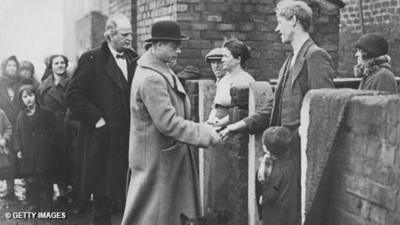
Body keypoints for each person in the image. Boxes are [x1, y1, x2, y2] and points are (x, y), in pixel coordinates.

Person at [121, 20, 221, 225]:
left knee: (160, 215)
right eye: (174, 46)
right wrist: (204, 133)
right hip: (157, 160)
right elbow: (168, 122)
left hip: (160, 156)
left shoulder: (156, 69)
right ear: (157, 45)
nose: (179, 50)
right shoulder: (152, 78)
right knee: (153, 217)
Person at [220, 0, 335, 166]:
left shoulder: (315, 55)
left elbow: (323, 107)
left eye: (280, 22)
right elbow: (275, 105)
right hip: (284, 152)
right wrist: (238, 125)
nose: (277, 28)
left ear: (294, 20)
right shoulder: (289, 60)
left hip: (300, 152)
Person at [66, 13, 138, 225]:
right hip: (103, 140)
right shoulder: (92, 58)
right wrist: (97, 120)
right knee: (102, 197)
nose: (130, 39)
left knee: (129, 193)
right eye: (125, 34)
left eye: (131, 34)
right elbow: (73, 95)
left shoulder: (133, 57)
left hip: (129, 137)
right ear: (110, 35)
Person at [14, 85, 56, 211]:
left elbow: (53, 131)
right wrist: (18, 149)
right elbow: (17, 134)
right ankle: (35, 202)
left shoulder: (46, 113)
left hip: (44, 153)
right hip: (28, 154)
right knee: (31, 180)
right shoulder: (20, 117)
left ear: (36, 96)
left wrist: (48, 144)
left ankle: (49, 202)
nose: (29, 99)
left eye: (31, 95)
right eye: (25, 97)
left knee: (46, 178)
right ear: (21, 100)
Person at [38, 54, 71, 206]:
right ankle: (55, 194)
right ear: (51, 66)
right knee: (54, 162)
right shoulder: (43, 86)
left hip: (70, 128)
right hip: (51, 130)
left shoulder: (73, 82)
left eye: (62, 63)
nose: (60, 65)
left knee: (70, 162)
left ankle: (69, 193)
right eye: (56, 63)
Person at [256, 126, 300, 225]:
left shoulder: (276, 171)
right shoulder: (293, 160)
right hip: (291, 210)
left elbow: (272, 192)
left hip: (277, 215)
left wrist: (263, 199)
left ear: (267, 149)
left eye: (263, 144)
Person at [207, 39, 255, 127]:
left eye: (226, 56)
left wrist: (219, 123)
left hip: (233, 128)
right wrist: (211, 121)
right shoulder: (223, 80)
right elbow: (215, 106)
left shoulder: (244, 80)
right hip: (216, 124)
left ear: (238, 59)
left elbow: (242, 112)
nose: (222, 60)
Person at [0, 55, 23, 200]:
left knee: (21, 155)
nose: (12, 68)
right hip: (4, 125)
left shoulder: (21, 83)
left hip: (20, 124)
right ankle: (10, 189)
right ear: (4, 68)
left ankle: (28, 188)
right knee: (7, 157)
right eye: (9, 65)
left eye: (14, 65)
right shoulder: (0, 84)